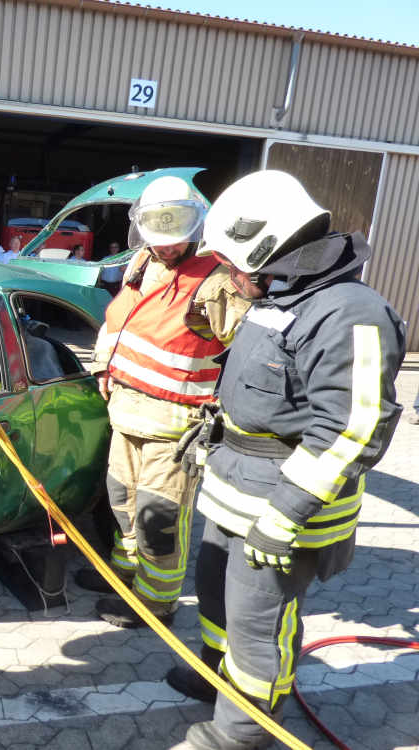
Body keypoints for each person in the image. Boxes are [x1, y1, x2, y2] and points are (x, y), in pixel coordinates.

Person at [167, 171, 405, 750]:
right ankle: (216, 679)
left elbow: (353, 429)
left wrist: (284, 515)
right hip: (237, 493)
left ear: (270, 246)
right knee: (217, 597)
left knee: (258, 624)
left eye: (232, 262)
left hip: (283, 512)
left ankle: (243, 732)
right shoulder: (281, 297)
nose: (227, 274)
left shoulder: (351, 313)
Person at [75, 176, 249, 629]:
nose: (166, 248)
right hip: (127, 415)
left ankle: (156, 603)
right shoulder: (141, 262)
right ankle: (124, 575)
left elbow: (249, 352)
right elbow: (119, 322)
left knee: (159, 517)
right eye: (158, 237)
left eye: (175, 240)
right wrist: (101, 367)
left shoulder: (216, 282)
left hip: (174, 429)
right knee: (121, 502)